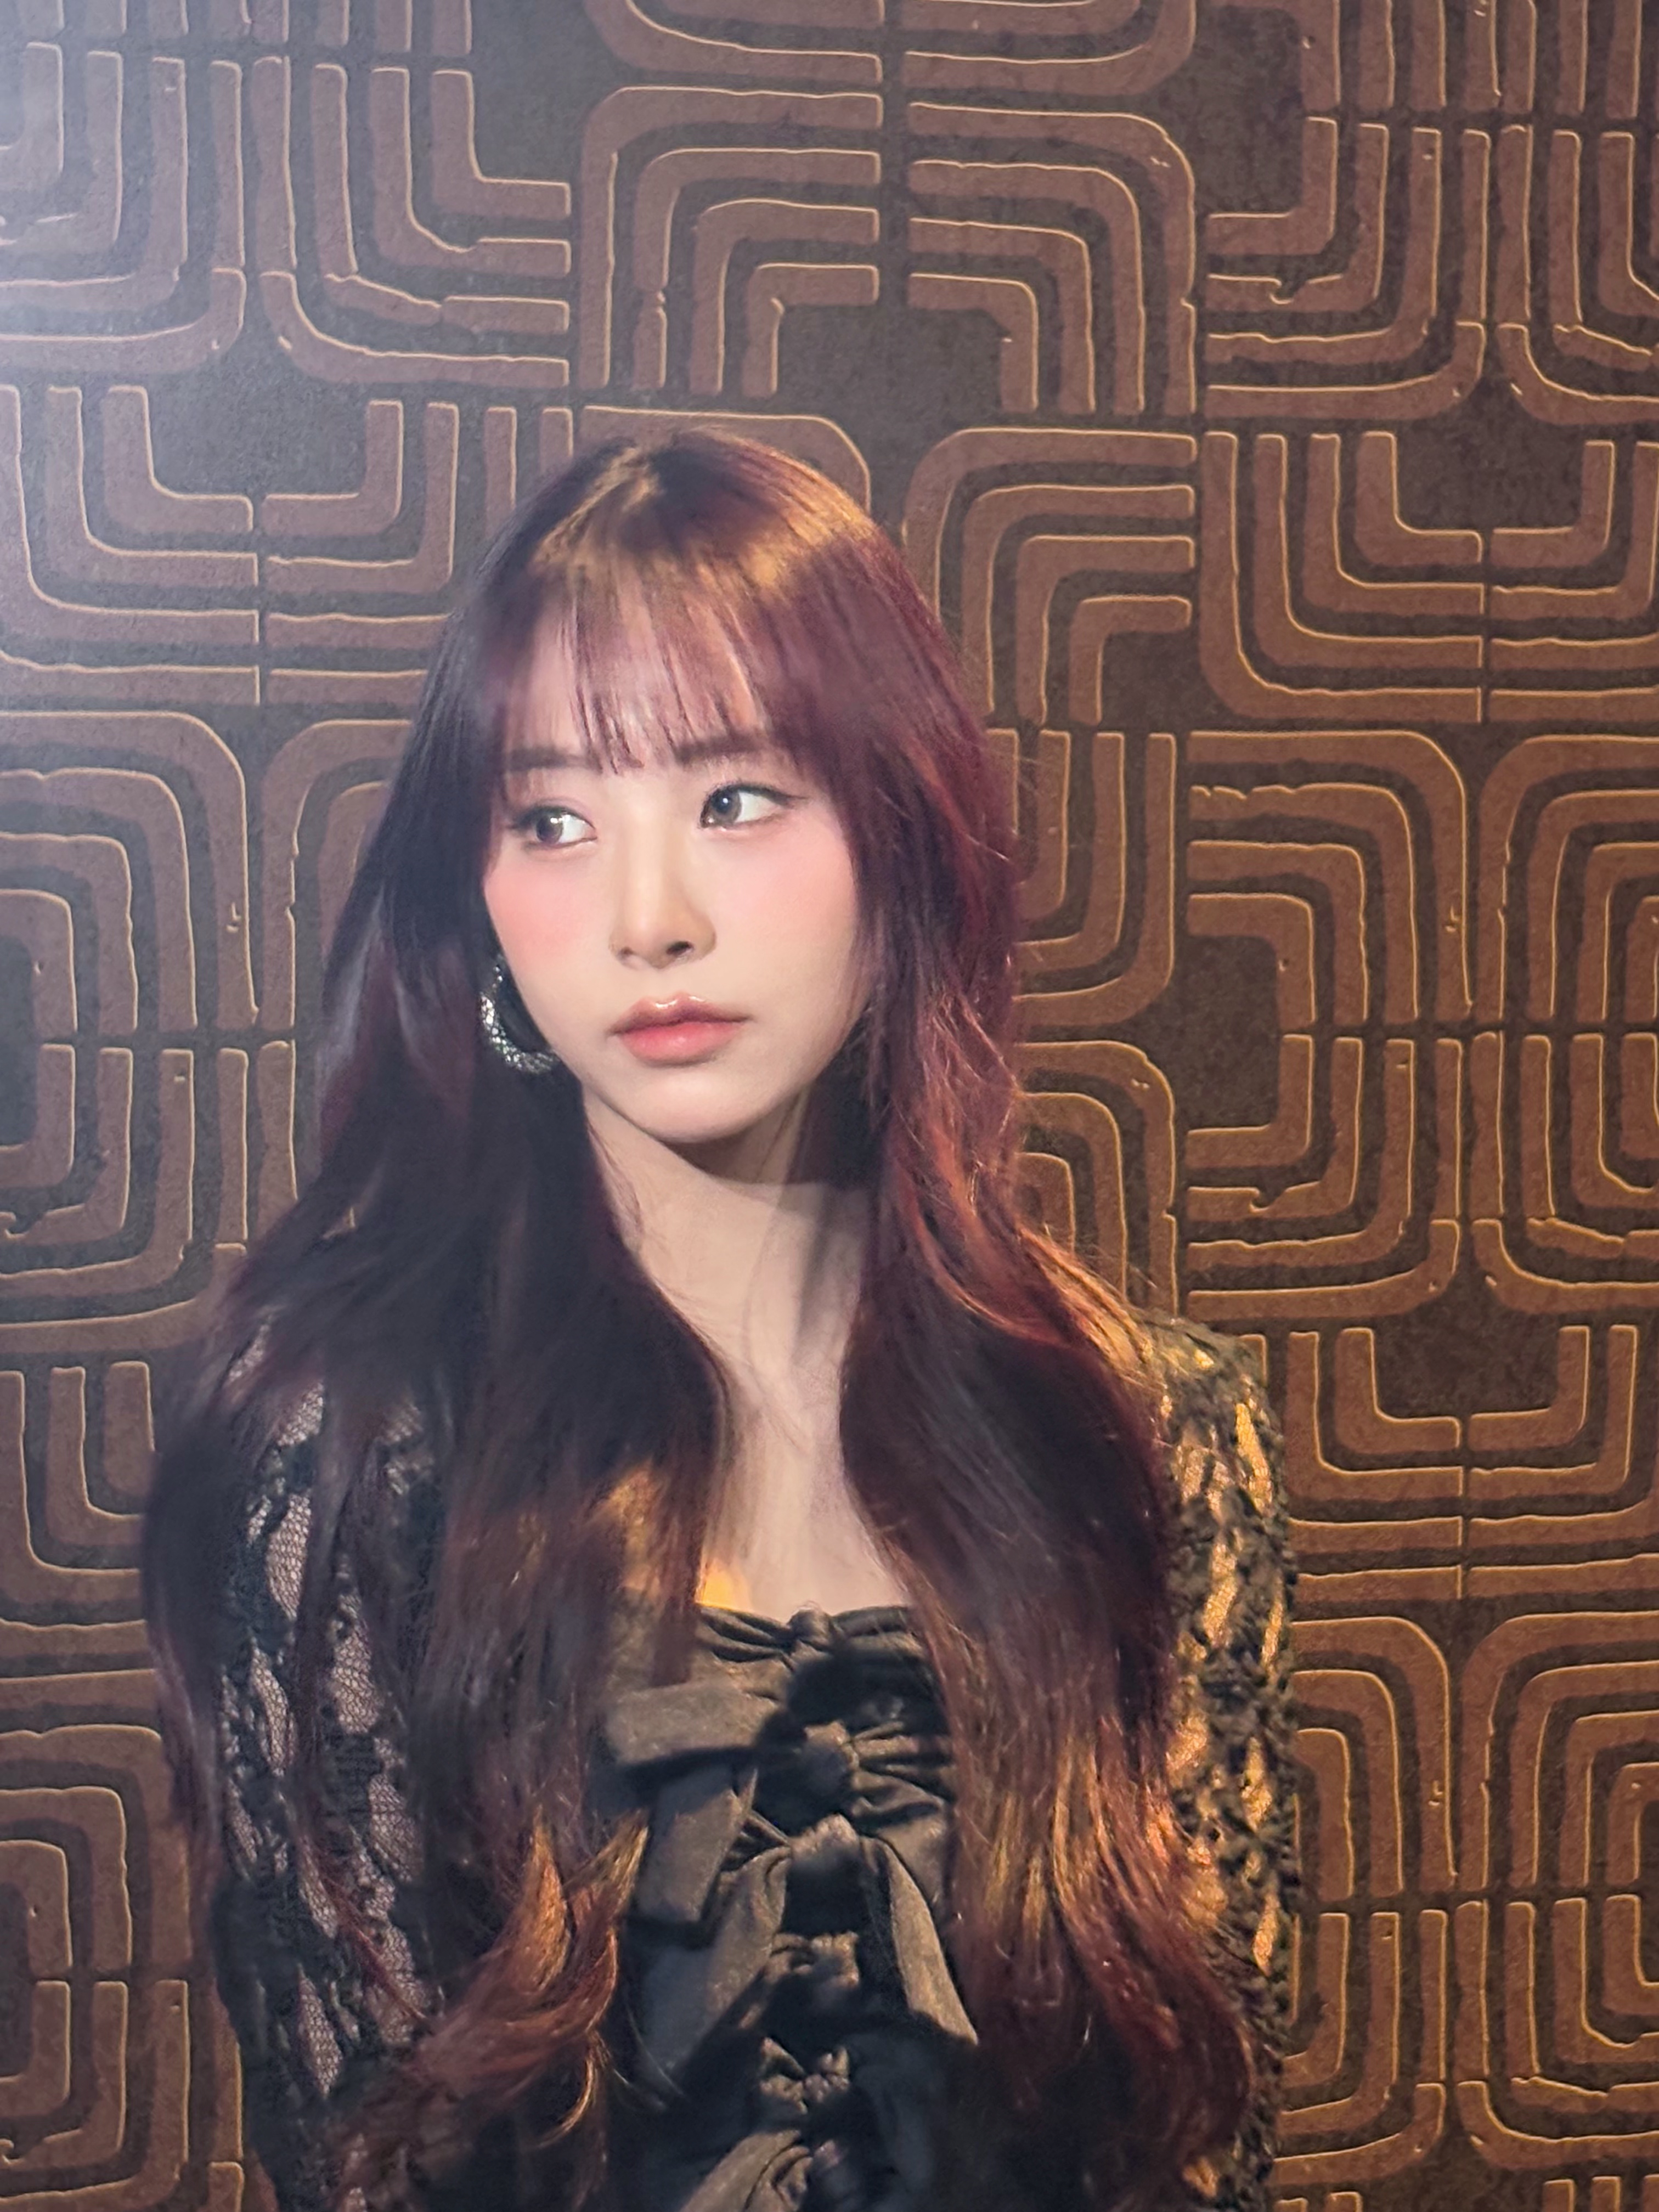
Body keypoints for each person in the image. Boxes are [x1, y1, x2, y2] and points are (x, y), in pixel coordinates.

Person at [142, 430, 1300, 2212]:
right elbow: (364, 2157)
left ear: (902, 832)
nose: (648, 918)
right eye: (551, 820)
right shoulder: (347, 1447)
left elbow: (1205, 2140)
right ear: (480, 896)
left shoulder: (1150, 1433)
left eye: (736, 798)